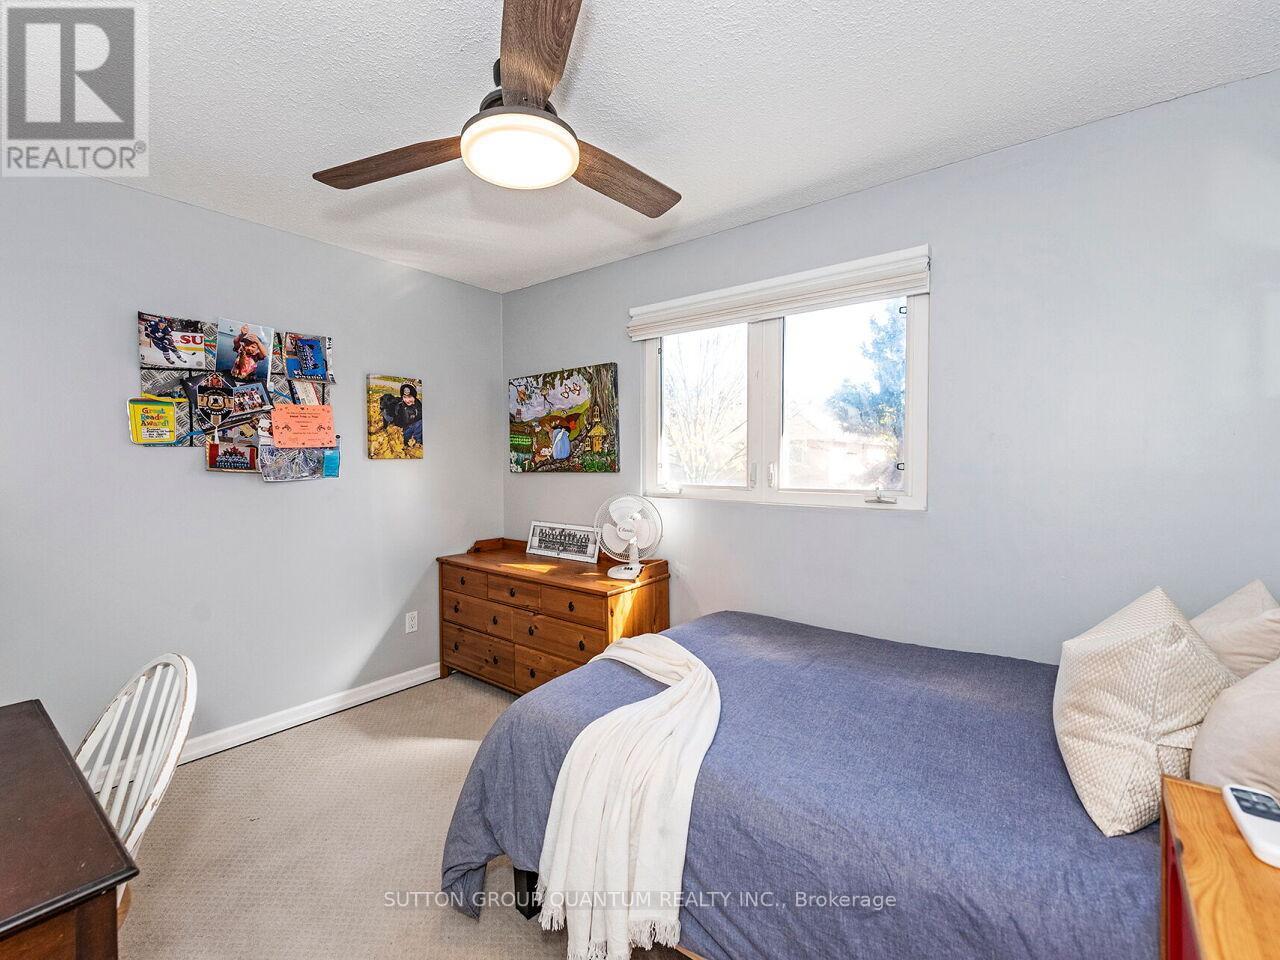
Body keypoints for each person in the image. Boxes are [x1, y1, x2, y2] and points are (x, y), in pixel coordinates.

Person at [377, 382, 423, 449]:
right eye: (404, 397)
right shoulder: (399, 403)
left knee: (420, 423)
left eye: (410, 397)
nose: (407, 400)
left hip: (414, 427)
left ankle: (417, 442)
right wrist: (385, 406)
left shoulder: (418, 405)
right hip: (403, 428)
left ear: (414, 396)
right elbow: (392, 400)